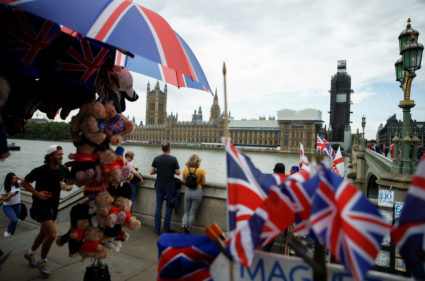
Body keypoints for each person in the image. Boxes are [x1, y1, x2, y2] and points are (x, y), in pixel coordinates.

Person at [20, 145, 72, 277]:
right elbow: (24, 183)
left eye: (62, 154)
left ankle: (30, 254)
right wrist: (36, 193)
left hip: (53, 207)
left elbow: (71, 184)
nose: (61, 156)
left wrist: (67, 187)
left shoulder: (64, 170)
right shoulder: (40, 170)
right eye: (58, 154)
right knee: (52, 234)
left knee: (44, 233)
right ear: (50, 156)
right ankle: (42, 261)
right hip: (40, 206)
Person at [150, 142, 180, 236]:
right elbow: (178, 173)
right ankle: (166, 228)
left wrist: (159, 170)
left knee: (158, 207)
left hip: (159, 185)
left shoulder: (156, 158)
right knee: (169, 207)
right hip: (170, 186)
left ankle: (157, 230)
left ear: (161, 148)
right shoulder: (173, 159)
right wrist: (170, 170)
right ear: (169, 149)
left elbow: (151, 172)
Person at [181, 154, 206, 234]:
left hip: (188, 191)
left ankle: (183, 227)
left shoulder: (185, 170)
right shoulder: (201, 171)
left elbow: (184, 182)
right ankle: (188, 230)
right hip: (197, 191)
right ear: (198, 161)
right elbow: (204, 183)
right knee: (192, 213)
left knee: (186, 212)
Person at [1, 172, 23, 237]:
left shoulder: (18, 185)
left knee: (15, 221)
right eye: (13, 179)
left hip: (18, 205)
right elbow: (4, 199)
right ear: (9, 180)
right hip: (8, 206)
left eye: (15, 178)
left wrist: (19, 178)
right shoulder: (5, 188)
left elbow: (27, 182)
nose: (14, 180)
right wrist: (11, 196)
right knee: (14, 219)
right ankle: (8, 231)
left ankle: (12, 233)